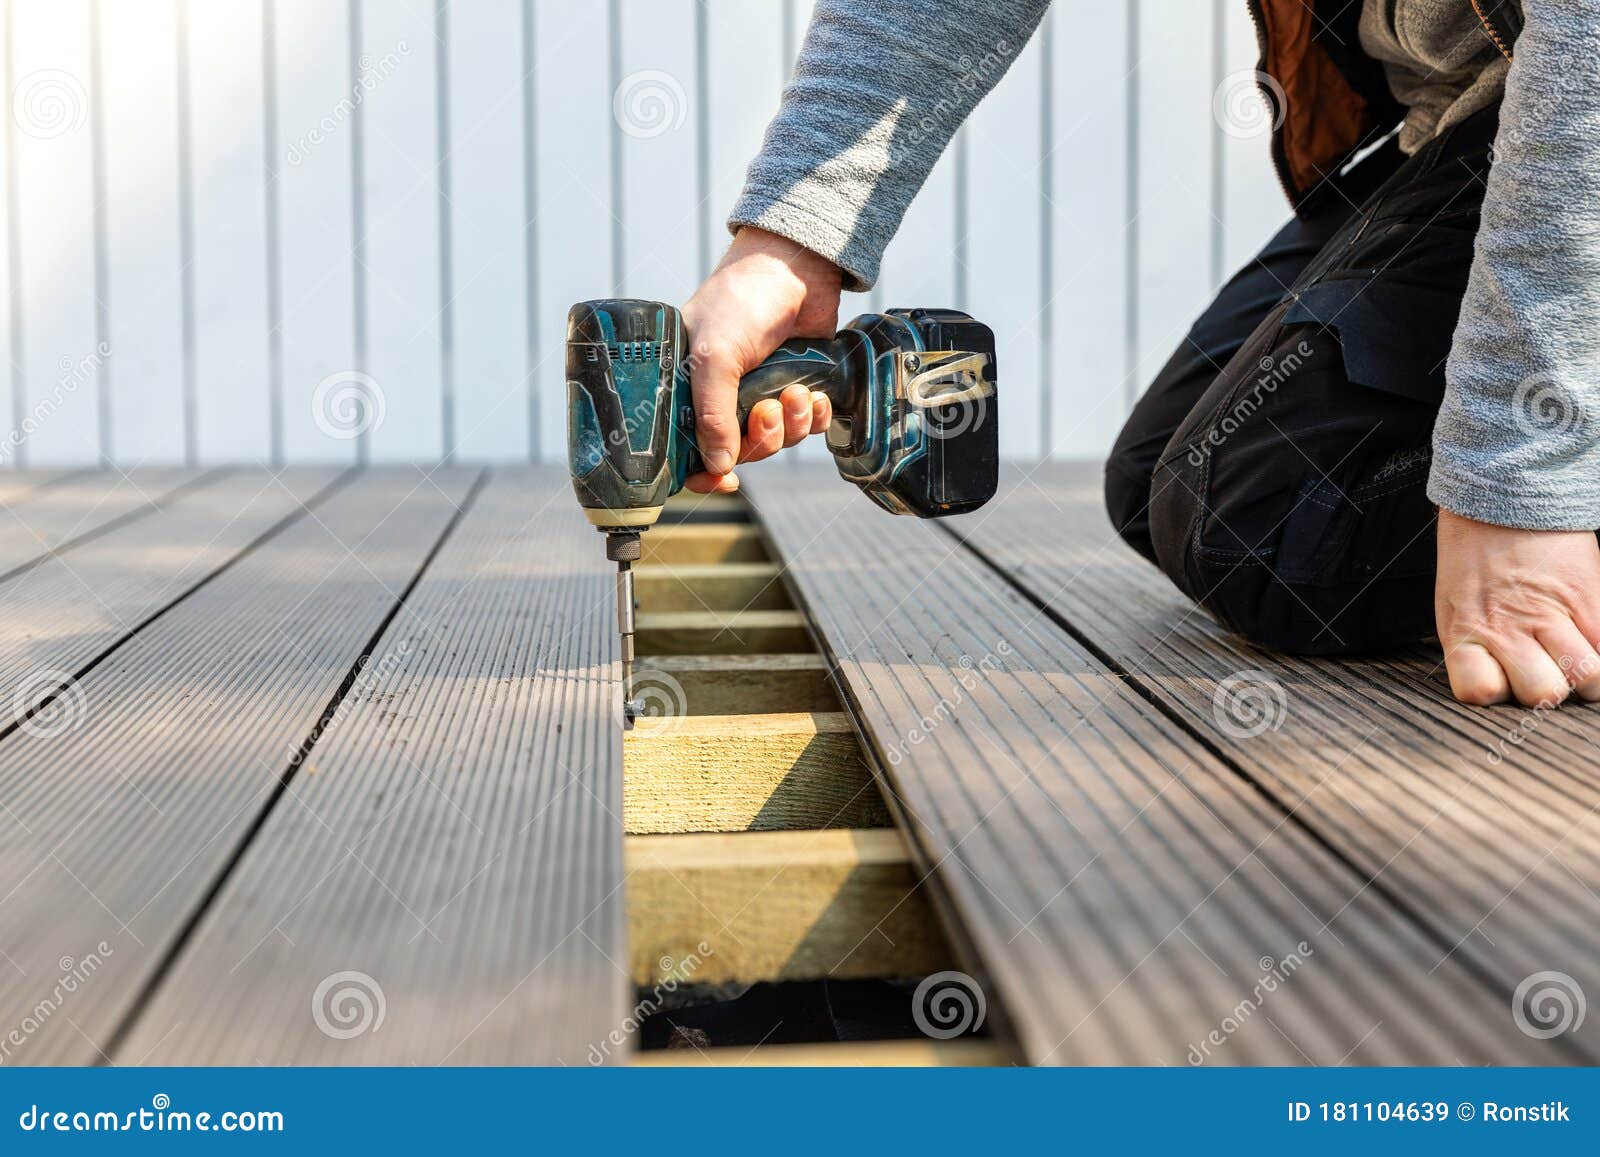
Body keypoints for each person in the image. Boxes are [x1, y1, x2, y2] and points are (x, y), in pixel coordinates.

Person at [680, 1, 1598, 710]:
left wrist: (1522, 475)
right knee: (1159, 481)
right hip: (1470, 123)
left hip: (1570, 115)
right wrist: (788, 248)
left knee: (1274, 528)